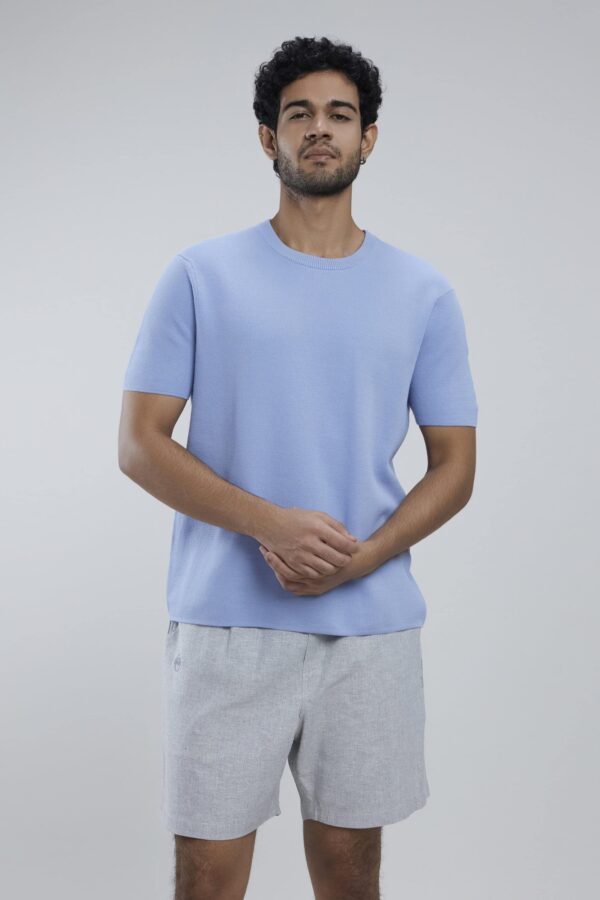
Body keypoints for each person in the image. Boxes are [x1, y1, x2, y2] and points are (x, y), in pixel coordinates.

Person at [118, 34, 478, 900]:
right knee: (208, 873)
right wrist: (270, 524)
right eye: (299, 114)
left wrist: (367, 556)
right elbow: (140, 443)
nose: (321, 129)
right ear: (267, 136)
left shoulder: (423, 293)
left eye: (340, 115)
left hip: (369, 630)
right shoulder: (201, 275)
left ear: (368, 137)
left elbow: (456, 465)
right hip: (225, 625)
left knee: (351, 870)